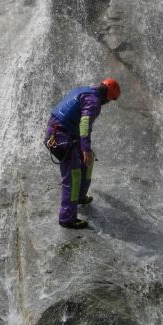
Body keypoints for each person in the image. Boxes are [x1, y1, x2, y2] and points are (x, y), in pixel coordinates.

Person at [45, 78, 121, 229]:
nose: (108, 103)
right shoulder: (94, 102)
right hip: (59, 136)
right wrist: (85, 148)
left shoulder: (86, 91)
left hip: (64, 133)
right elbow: (85, 124)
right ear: (108, 96)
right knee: (73, 175)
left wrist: (85, 149)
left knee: (88, 161)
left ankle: (80, 197)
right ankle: (67, 218)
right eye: (110, 100)